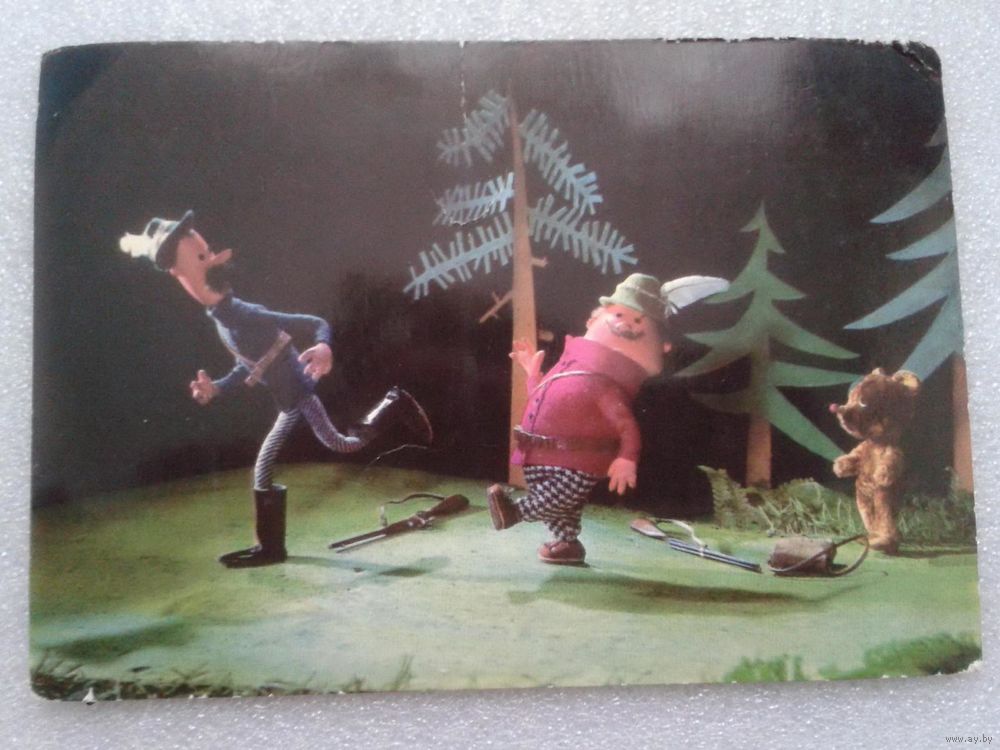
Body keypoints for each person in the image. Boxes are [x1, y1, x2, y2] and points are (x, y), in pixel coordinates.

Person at [120, 210, 432, 568]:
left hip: (297, 393)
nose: (208, 263)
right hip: (288, 397)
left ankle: (393, 404)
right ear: (177, 275)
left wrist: (324, 345)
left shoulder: (242, 314)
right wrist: (216, 388)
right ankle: (270, 546)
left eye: (206, 255)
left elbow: (314, 322)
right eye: (197, 259)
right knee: (325, 448)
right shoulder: (225, 320)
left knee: (318, 450)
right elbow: (249, 365)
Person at [487, 273, 727, 565]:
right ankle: (567, 544)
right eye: (620, 314)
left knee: (561, 495)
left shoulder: (606, 385)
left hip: (580, 459)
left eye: (638, 321)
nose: (627, 324)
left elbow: (625, 425)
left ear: (660, 344)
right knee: (562, 507)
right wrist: (532, 373)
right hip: (537, 453)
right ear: (593, 320)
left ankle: (515, 512)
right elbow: (542, 396)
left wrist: (626, 458)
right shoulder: (569, 365)